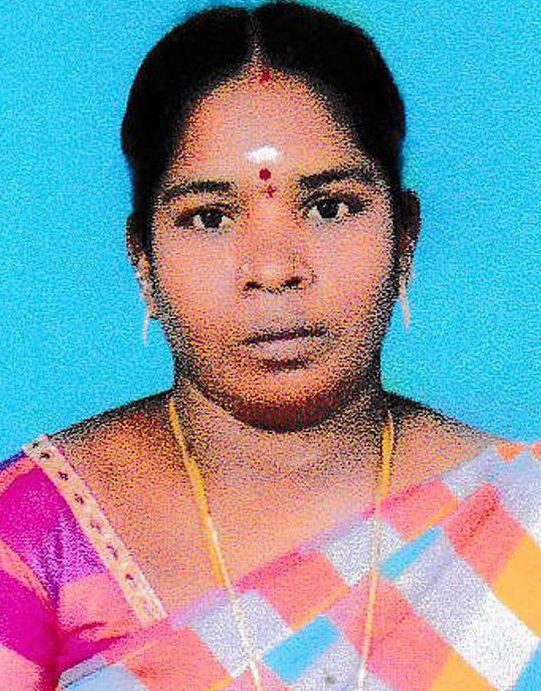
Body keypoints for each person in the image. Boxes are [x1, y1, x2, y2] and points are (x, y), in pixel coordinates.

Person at [1, 2, 539, 689]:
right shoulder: (31, 535)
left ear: (405, 237)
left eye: (329, 207)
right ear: (143, 259)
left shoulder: (521, 521)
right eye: (210, 217)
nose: (274, 267)